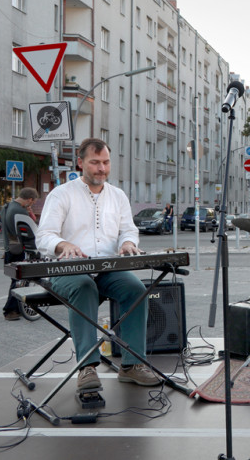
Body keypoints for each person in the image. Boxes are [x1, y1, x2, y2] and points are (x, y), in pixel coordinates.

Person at [36, 138, 161, 393]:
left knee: (136, 289)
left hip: (107, 270)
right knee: (84, 287)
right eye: (95, 163)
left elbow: (129, 229)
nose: (101, 169)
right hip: (68, 271)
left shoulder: (118, 196)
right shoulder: (61, 194)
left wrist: (127, 243)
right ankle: (87, 366)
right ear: (81, 163)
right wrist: (62, 245)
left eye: (105, 162)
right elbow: (44, 235)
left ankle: (132, 365)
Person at [1, 187, 39, 321]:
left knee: (16, 280)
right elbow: (32, 229)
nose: (32, 205)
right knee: (19, 282)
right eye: (33, 202)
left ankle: (15, 309)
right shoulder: (20, 211)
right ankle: (10, 310)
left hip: (9, 248)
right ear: (29, 199)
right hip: (18, 248)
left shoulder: (7, 206)